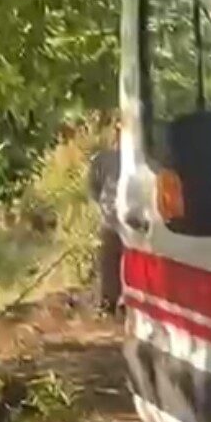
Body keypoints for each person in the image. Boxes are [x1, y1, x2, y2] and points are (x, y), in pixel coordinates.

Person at [87, 124, 122, 316]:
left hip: (133, 222)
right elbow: (94, 187)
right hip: (111, 219)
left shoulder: (145, 159)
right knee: (109, 262)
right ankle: (109, 303)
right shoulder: (103, 159)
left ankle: (120, 303)